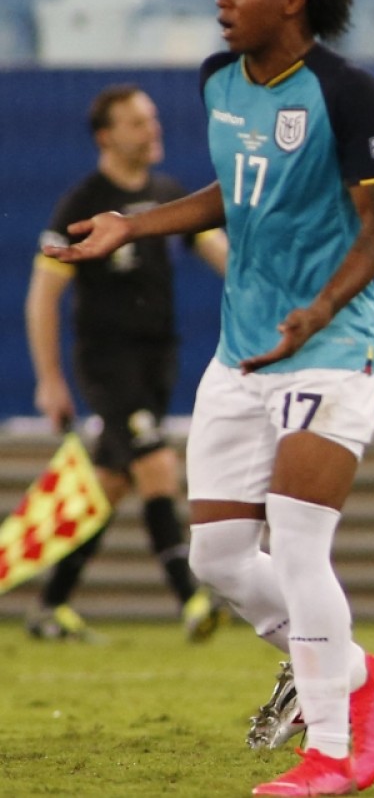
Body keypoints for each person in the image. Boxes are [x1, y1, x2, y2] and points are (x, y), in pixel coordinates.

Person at [45, 0, 374, 795]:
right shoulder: (220, 82)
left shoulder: (349, 93)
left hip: (330, 348)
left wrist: (321, 308)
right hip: (242, 355)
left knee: (295, 543)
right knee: (216, 561)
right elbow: (233, 192)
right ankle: (368, 678)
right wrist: (134, 225)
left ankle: (335, 749)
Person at [25, 83, 229, 643]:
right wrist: (49, 380)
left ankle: (51, 606)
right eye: (138, 123)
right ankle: (191, 600)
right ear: (106, 137)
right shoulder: (81, 203)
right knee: (158, 466)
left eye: (154, 119)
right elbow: (43, 297)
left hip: (158, 358)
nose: (153, 130)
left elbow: (221, 256)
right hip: (107, 362)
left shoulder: (168, 194)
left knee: (113, 483)